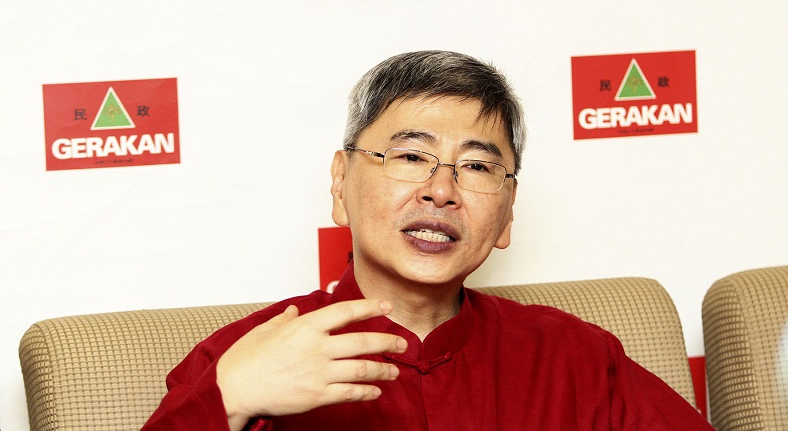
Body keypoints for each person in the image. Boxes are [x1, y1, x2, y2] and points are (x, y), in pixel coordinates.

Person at [142, 51, 713, 430]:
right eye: (411, 156)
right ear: (340, 183)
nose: (442, 190)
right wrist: (231, 399)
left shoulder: (575, 359)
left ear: (509, 211)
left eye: (477, 166)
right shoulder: (243, 360)